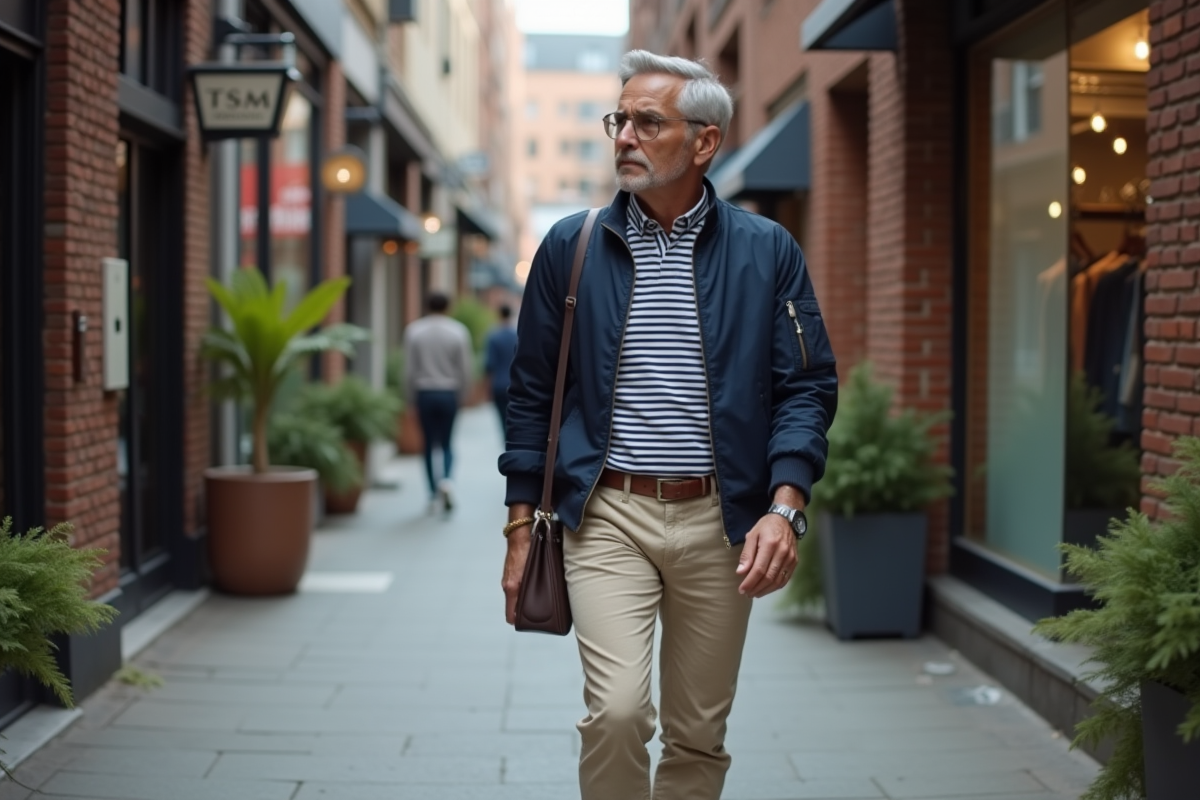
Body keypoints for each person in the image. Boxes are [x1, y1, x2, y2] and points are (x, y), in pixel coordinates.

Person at [498, 50, 837, 800]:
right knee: (617, 713)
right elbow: (529, 394)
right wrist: (520, 529)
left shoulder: (767, 251)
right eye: (620, 119)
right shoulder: (571, 247)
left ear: (705, 141)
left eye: (648, 122)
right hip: (605, 514)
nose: (625, 136)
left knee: (697, 733)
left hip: (723, 521)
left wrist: (786, 505)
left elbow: (806, 387)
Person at [403, 291, 474, 514]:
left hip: (424, 392)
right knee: (446, 442)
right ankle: (446, 481)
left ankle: (433, 492)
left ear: (426, 306)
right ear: (448, 307)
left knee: (427, 444)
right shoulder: (458, 331)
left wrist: (408, 397)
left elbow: (409, 369)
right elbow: (465, 368)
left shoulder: (414, 331)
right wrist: (463, 394)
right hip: (448, 392)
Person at [484, 304, 518, 440]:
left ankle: (506, 440)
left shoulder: (493, 336)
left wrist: (487, 388)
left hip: (498, 384)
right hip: (516, 383)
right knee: (515, 416)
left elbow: (489, 365)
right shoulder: (518, 335)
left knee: (502, 418)